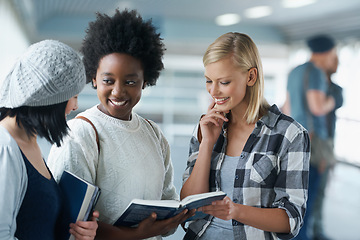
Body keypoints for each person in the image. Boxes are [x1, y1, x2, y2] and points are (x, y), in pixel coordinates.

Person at [46, 9, 193, 240]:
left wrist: (173, 218)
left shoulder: (154, 134)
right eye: (108, 80)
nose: (118, 91)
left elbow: (167, 200)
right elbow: (67, 219)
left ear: (145, 82)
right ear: (93, 78)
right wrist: (135, 235)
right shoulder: (80, 133)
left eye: (130, 81)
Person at [180, 32, 310, 240]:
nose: (213, 91)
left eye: (223, 82)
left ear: (250, 77)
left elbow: (291, 220)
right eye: (208, 81)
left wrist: (235, 211)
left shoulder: (289, 134)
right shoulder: (206, 126)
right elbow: (189, 207)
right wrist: (207, 144)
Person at [0, 40, 98, 240]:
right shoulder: (5, 147)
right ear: (50, 98)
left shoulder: (30, 142)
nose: (75, 106)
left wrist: (78, 232)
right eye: (74, 96)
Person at [284, 35, 339, 240]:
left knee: (296, 196)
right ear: (328, 52)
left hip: (296, 140)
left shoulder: (295, 72)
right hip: (314, 143)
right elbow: (317, 107)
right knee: (312, 193)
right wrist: (333, 100)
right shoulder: (315, 72)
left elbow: (286, 108)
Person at [312, 54, 342, 240]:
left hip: (324, 144)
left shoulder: (335, 90)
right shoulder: (310, 84)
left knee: (320, 188)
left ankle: (317, 229)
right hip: (309, 140)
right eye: (333, 60)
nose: (336, 64)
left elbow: (321, 108)